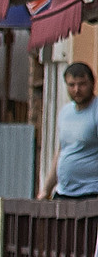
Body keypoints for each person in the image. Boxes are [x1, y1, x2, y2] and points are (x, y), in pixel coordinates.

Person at [44, 62, 98, 200]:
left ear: (93, 83)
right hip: (64, 192)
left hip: (91, 192)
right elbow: (62, 151)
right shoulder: (65, 112)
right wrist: (46, 190)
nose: (77, 89)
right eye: (71, 85)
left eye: (82, 84)